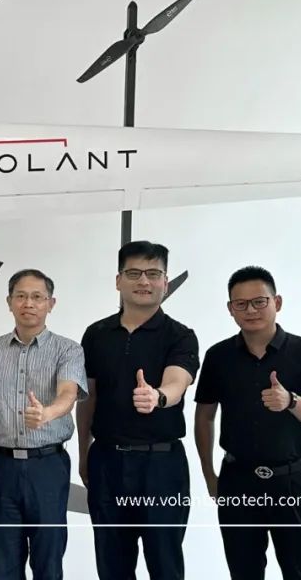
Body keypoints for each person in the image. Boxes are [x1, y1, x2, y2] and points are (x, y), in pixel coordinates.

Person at [194, 266, 301, 579]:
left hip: (293, 481)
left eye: (259, 302)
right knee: (244, 571)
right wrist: (209, 474)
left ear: (276, 302)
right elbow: (205, 415)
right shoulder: (218, 356)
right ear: (230, 309)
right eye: (240, 304)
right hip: (238, 480)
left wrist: (290, 401)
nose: (250, 310)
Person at [77, 241, 199, 580]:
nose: (144, 281)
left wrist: (158, 396)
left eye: (153, 273)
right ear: (118, 281)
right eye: (133, 273)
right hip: (107, 462)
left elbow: (178, 382)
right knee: (112, 566)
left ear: (165, 282)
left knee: (165, 564)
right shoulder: (96, 334)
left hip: (162, 466)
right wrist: (84, 455)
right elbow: (88, 398)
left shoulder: (180, 336)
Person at [0, 269, 87, 580]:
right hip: (2, 467)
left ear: (51, 303)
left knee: (48, 560)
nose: (29, 303)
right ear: (9, 302)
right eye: (21, 296)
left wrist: (48, 413)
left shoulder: (67, 349)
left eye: (38, 297)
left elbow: (68, 393)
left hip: (47, 465)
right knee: (5, 563)